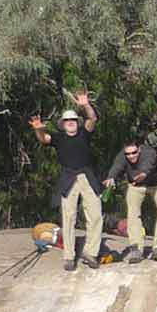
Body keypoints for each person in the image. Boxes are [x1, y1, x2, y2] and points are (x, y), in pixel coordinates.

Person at [27, 91, 101, 271]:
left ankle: (91, 253)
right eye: (68, 121)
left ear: (77, 122)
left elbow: (92, 118)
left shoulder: (85, 132)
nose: (71, 123)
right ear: (63, 124)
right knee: (68, 217)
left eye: (74, 120)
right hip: (68, 177)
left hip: (87, 176)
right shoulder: (58, 137)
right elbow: (44, 138)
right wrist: (38, 128)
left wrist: (85, 105)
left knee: (96, 214)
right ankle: (69, 256)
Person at [105, 141, 157, 262]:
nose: (131, 156)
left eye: (134, 153)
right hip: (136, 185)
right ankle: (136, 248)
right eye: (128, 154)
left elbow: (148, 164)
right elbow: (117, 166)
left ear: (139, 150)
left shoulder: (149, 152)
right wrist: (111, 177)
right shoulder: (123, 156)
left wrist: (143, 174)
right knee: (133, 214)